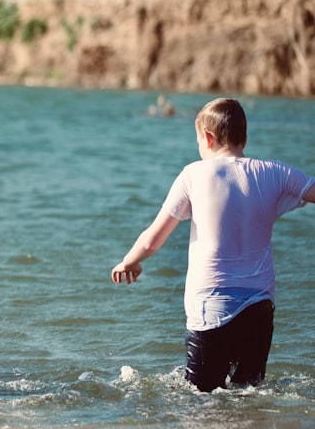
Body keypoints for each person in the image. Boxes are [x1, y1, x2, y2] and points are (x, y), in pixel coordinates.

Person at [111, 98, 315, 392]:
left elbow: (153, 238)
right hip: (259, 307)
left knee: (201, 399)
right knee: (250, 393)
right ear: (244, 136)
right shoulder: (275, 172)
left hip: (212, 308)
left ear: (207, 138)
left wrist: (129, 261)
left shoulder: (193, 175)